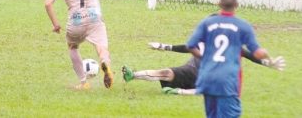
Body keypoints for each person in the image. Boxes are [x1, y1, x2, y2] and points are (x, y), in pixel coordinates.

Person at [44, 0, 131, 90]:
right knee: (101, 48)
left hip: (75, 22)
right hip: (94, 18)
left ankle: (84, 83)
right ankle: (105, 64)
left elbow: (48, 3)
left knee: (72, 47)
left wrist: (56, 24)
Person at [186, 0, 270, 118]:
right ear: (236, 4)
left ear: (219, 4)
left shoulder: (207, 23)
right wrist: (266, 54)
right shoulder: (243, 26)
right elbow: (257, 53)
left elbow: (190, 45)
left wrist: (205, 58)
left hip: (207, 78)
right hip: (227, 80)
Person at [121, 42, 285, 96]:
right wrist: (163, 46)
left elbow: (251, 56)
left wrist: (268, 63)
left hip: (199, 78)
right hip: (188, 71)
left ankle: (177, 91)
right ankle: (132, 75)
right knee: (165, 73)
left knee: (166, 73)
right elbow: (186, 47)